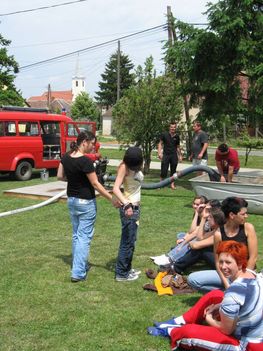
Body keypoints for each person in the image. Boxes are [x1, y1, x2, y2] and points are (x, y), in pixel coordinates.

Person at [147, 241, 263, 351]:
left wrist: (209, 319)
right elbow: (244, 300)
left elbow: (227, 330)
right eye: (221, 262)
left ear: (239, 263)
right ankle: (177, 321)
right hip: (253, 331)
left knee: (188, 332)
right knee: (216, 295)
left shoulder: (234, 292)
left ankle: (171, 331)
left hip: (246, 346)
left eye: (228, 262)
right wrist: (218, 306)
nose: (223, 267)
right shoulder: (254, 275)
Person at [57, 131, 116, 283]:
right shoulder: (85, 162)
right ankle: (77, 272)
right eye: (92, 144)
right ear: (84, 142)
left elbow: (60, 176)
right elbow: (96, 184)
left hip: (72, 201)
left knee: (77, 235)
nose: (93, 147)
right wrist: (112, 198)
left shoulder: (66, 157)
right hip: (86, 203)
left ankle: (78, 265)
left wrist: (74, 178)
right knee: (84, 238)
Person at [187, 197, 258, 293]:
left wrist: (243, 278)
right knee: (192, 279)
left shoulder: (248, 228)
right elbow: (217, 262)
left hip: (246, 272)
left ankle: (237, 291)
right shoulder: (218, 234)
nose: (246, 216)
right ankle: (227, 292)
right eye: (243, 214)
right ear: (232, 215)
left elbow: (253, 257)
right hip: (227, 274)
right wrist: (227, 285)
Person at [113, 147, 144, 282]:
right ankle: (121, 274)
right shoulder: (124, 167)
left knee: (131, 241)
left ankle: (127, 269)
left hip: (135, 208)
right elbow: (115, 188)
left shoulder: (134, 166)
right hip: (129, 209)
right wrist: (126, 204)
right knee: (127, 242)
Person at [158, 122, 182, 190]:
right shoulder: (164, 134)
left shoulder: (177, 136)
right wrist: (159, 153)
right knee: (163, 170)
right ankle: (160, 184)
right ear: (169, 127)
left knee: (173, 171)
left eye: (174, 127)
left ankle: (172, 184)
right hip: (166, 155)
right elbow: (160, 144)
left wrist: (180, 155)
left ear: (175, 128)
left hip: (174, 155)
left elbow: (177, 147)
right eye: (171, 127)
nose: (173, 128)